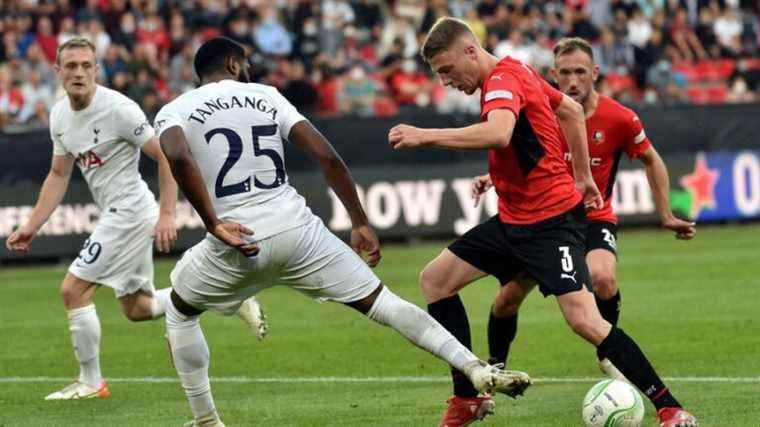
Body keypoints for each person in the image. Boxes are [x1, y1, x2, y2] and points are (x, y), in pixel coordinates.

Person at [154, 36, 531, 427]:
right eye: (245, 64)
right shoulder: (265, 96)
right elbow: (326, 155)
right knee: (385, 303)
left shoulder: (176, 109)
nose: (248, 71)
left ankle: (207, 420)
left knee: (180, 313)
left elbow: (178, 156)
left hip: (238, 240)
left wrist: (213, 223)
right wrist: (360, 221)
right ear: (234, 64)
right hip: (297, 230)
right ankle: (473, 368)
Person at [387, 18, 698, 427]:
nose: (445, 81)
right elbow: (569, 111)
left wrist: (424, 136)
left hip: (550, 223)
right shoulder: (519, 69)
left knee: (585, 320)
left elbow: (499, 133)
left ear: (469, 51)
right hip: (514, 219)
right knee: (435, 280)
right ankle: (467, 399)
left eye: (446, 70)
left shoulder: (501, 81)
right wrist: (584, 175)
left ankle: (670, 406)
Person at [3, 38, 264, 401]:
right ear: (58, 72)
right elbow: (58, 175)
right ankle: (228, 298)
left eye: (85, 65)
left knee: (72, 290)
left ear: (97, 69)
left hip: (129, 211)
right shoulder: (59, 115)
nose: (79, 72)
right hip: (118, 212)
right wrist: (32, 225)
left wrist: (167, 213)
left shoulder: (119, 109)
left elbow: (167, 156)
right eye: (71, 66)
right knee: (138, 309)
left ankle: (91, 382)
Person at [482, 36, 697, 387]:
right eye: (564, 73)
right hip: (544, 222)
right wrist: (486, 178)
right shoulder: (540, 111)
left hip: (592, 218)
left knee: (603, 277)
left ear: (595, 72)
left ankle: (607, 354)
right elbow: (513, 156)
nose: (572, 81)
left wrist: (666, 214)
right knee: (506, 300)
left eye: (580, 71)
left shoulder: (620, 118)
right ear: (552, 74)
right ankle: (494, 367)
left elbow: (651, 159)